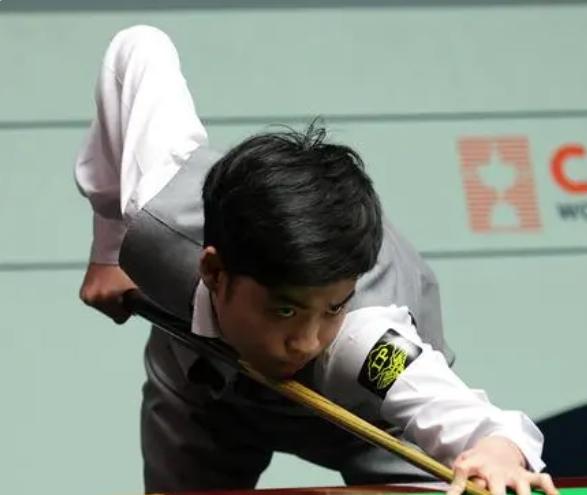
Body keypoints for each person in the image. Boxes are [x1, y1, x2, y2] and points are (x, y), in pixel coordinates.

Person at [75, 25, 557, 495]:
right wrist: (109, 250)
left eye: (333, 308)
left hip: (368, 422)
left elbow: (455, 411)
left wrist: (496, 450)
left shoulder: (364, 340)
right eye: (285, 309)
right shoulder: (159, 224)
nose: (306, 341)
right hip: (203, 388)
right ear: (214, 272)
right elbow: (138, 49)